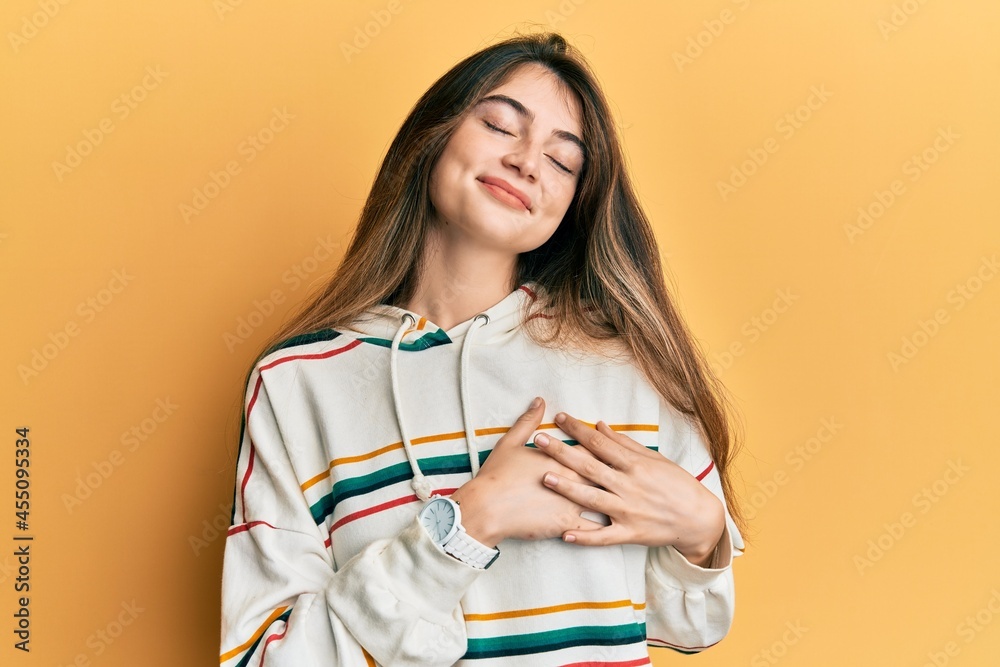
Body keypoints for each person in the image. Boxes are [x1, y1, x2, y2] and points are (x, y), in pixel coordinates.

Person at [220, 31, 748, 666]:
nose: (528, 161)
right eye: (501, 125)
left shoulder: (625, 362)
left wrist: (703, 536)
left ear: (572, 204)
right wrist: (463, 526)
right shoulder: (296, 383)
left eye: (563, 162)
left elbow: (685, 621)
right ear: (433, 135)